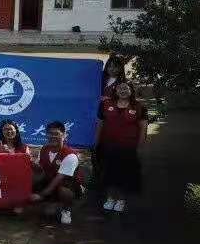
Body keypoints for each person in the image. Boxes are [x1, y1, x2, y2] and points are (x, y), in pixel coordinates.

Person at [95, 81, 147, 214]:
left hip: (128, 147)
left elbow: (143, 128)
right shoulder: (105, 104)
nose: (123, 91)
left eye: (126, 88)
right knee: (108, 173)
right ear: (116, 90)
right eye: (120, 88)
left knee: (125, 174)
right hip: (108, 145)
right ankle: (110, 198)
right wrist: (96, 141)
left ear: (131, 91)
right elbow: (100, 124)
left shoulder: (139, 107)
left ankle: (121, 200)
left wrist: (140, 146)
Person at [32, 121, 83, 225]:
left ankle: (66, 209)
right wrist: (28, 162)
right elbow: (40, 169)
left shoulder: (70, 156)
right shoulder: (44, 149)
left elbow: (58, 179)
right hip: (50, 182)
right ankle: (49, 203)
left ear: (64, 135)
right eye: (50, 134)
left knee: (64, 191)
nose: (53, 137)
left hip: (68, 185)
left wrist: (41, 195)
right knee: (33, 177)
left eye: (56, 134)